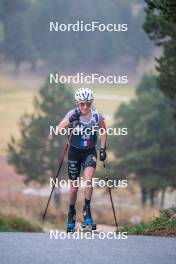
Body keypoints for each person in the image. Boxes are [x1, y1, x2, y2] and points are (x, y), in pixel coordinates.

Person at [57, 87, 107, 232]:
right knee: (74, 188)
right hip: (74, 153)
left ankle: (86, 211)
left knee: (89, 181)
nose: (85, 107)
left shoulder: (96, 116)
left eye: (88, 103)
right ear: (77, 103)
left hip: (89, 152)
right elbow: (58, 128)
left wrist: (103, 148)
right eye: (82, 104)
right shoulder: (72, 113)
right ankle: (71, 212)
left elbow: (103, 131)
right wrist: (70, 120)